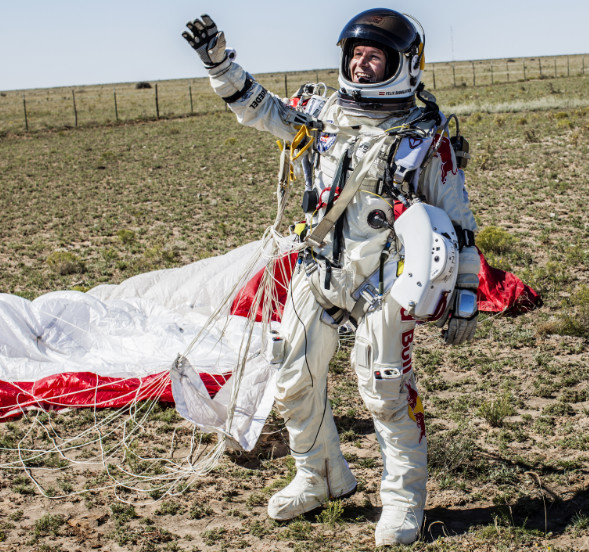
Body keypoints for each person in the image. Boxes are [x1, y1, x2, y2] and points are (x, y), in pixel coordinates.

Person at [183, 9, 480, 546]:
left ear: (402, 66)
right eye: (356, 56)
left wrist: (465, 291)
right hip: (320, 267)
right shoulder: (320, 116)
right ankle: (319, 475)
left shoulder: (422, 138)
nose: (363, 66)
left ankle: (402, 501)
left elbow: (457, 219)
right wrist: (220, 65)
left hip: (385, 281)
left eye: (375, 58)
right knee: (292, 377)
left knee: (385, 390)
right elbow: (259, 109)